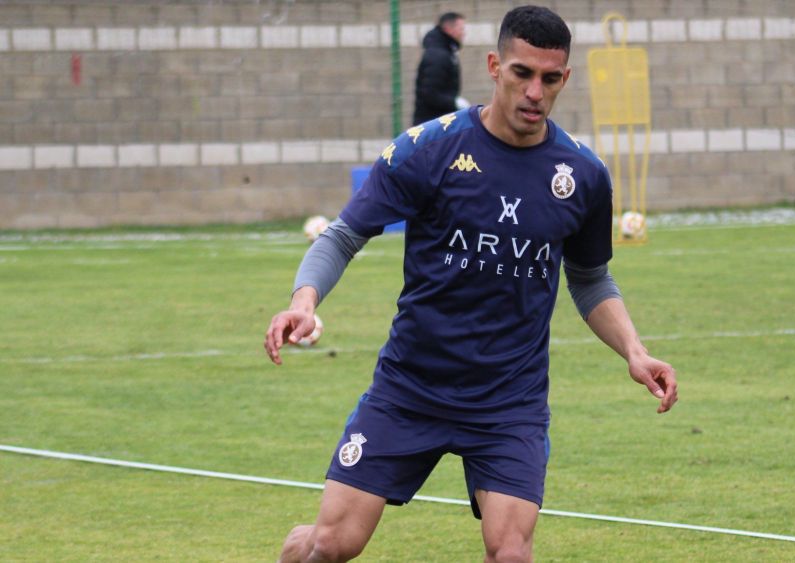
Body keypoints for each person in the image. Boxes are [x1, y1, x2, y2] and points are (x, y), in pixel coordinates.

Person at [264, 6, 678, 562]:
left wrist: (635, 350)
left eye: (549, 79)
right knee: (330, 545)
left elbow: (589, 278)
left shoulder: (581, 176)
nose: (534, 92)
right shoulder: (427, 150)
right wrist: (304, 301)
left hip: (509, 402)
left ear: (566, 78)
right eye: (521, 73)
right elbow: (343, 236)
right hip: (411, 388)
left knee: (511, 554)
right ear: (493, 66)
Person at [412, 12, 467, 126]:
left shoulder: (445, 51)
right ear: (449, 29)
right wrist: (454, 102)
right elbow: (429, 93)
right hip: (430, 125)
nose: (464, 33)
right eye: (461, 29)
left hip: (437, 122)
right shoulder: (438, 55)